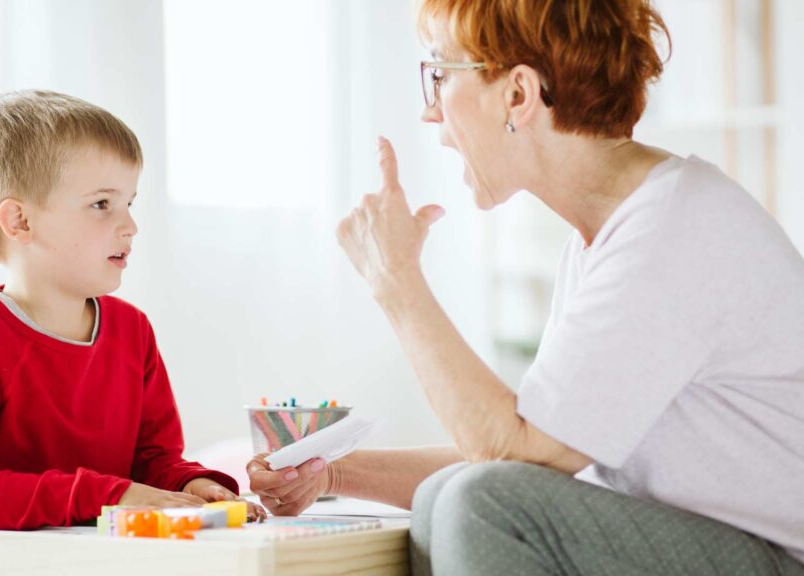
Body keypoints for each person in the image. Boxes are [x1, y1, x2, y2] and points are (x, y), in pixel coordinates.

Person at [247, 1, 804, 574]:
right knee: (449, 495)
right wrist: (334, 473)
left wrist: (397, 281)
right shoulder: (613, 236)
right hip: (718, 547)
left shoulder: (670, 232)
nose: (429, 111)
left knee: (476, 503)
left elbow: (514, 454)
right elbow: (534, 460)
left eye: (440, 74)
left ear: (518, 94)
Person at [0, 90, 263, 529]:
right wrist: (107, 494)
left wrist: (188, 485)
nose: (130, 226)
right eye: (101, 204)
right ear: (20, 222)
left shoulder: (133, 331)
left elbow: (152, 462)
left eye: (129, 203)